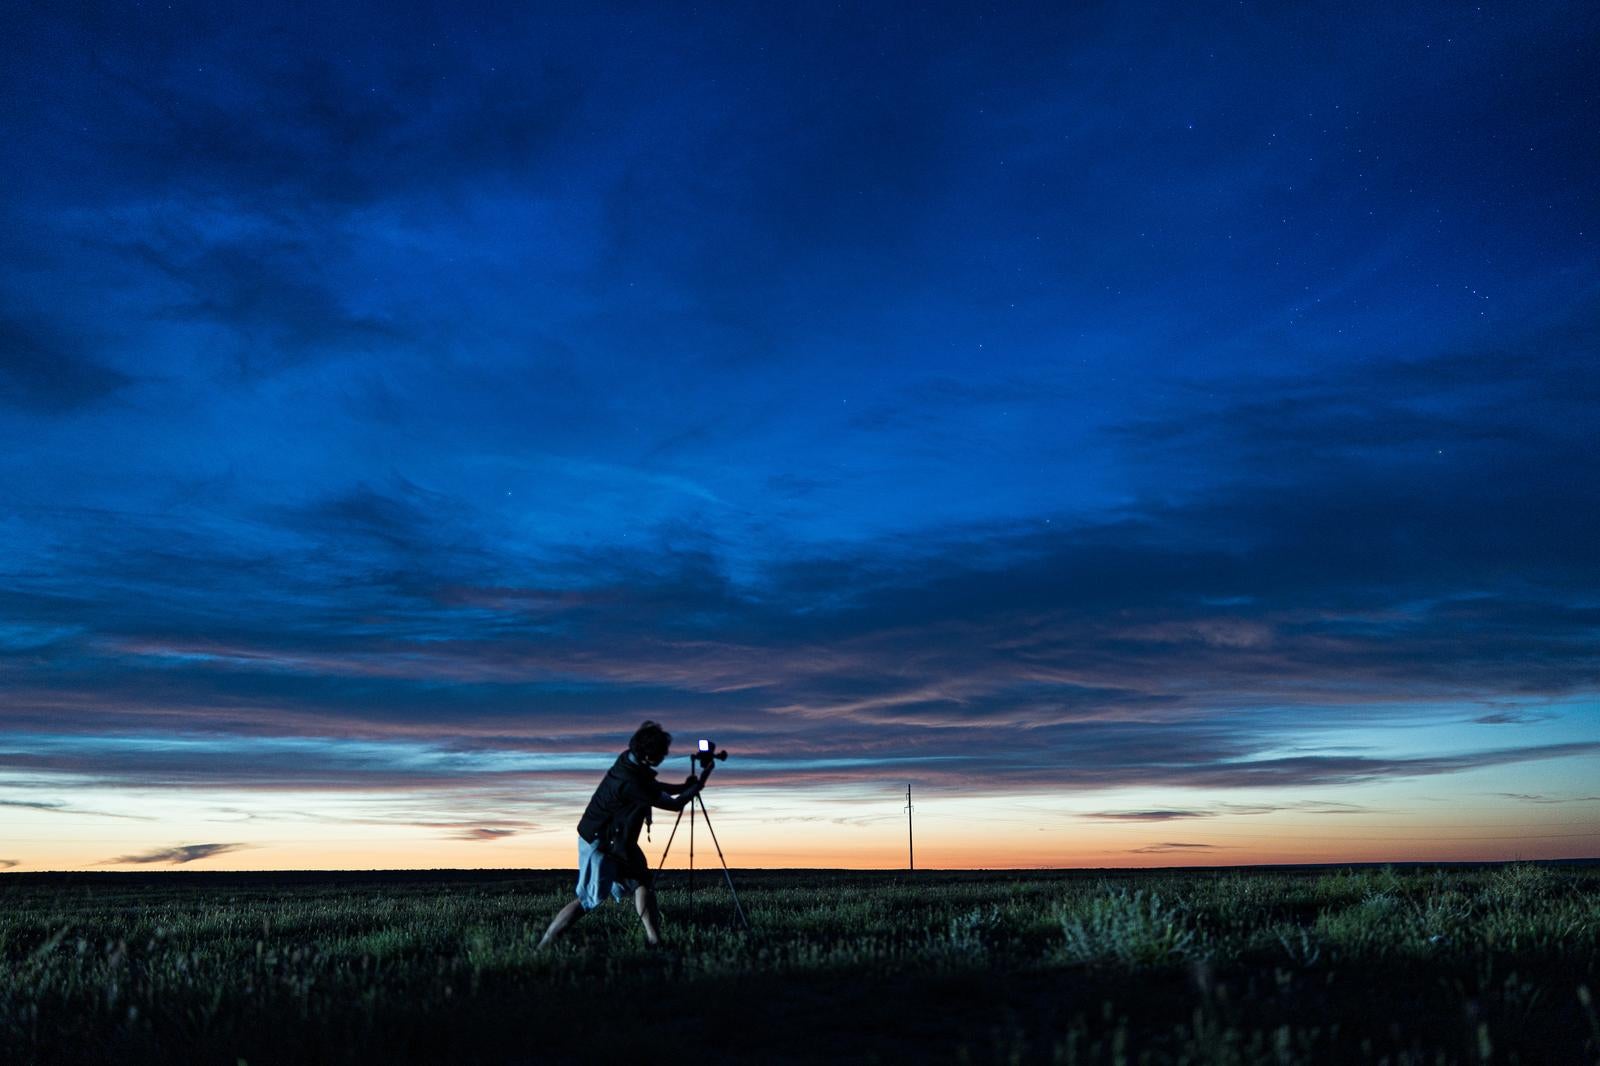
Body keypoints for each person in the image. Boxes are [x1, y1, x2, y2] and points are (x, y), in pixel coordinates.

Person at [537, 720, 711, 948]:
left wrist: (682, 787)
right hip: (600, 844)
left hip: (618, 840)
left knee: (643, 883)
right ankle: (545, 944)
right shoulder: (630, 782)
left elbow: (653, 785)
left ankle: (655, 941)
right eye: (661, 754)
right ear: (649, 755)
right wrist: (700, 784)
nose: (664, 756)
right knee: (588, 900)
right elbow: (673, 805)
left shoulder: (628, 760)